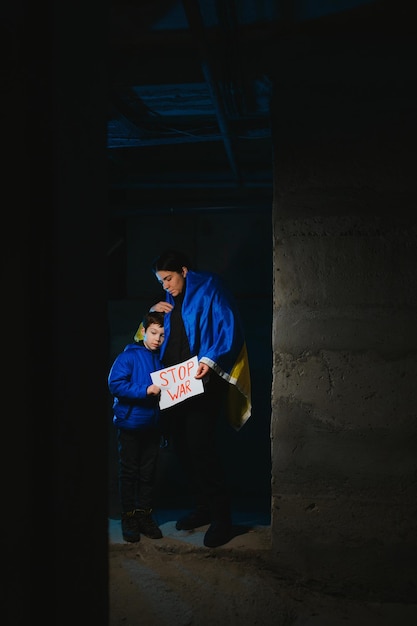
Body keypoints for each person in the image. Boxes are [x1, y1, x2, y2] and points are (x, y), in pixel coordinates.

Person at [134, 249, 251, 548]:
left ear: (184, 271)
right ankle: (203, 508)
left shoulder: (210, 286)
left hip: (200, 380)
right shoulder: (167, 302)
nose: (166, 286)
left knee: (202, 447)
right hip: (172, 383)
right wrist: (152, 311)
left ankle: (222, 518)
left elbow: (229, 325)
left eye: (169, 279)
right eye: (161, 281)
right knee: (181, 447)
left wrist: (210, 360)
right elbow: (146, 339)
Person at [108, 310, 166, 543]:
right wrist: (145, 390)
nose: (157, 339)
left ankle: (144, 516)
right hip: (130, 424)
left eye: (162, 335)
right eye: (153, 333)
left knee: (148, 474)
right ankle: (129, 517)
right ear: (143, 331)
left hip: (152, 426)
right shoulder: (128, 356)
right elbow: (115, 384)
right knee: (130, 472)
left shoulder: (161, 359)